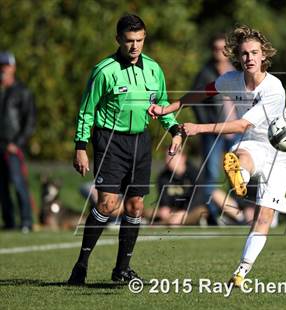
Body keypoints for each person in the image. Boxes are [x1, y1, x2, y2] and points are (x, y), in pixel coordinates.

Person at [149, 25, 286, 287]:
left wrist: (198, 128)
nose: (249, 58)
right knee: (240, 155)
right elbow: (203, 92)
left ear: (264, 56)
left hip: (279, 153)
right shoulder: (231, 79)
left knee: (263, 217)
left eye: (254, 53)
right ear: (238, 57)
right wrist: (168, 107)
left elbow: (241, 125)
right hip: (252, 145)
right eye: (244, 53)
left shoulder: (274, 88)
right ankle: (239, 174)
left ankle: (241, 271)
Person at [68, 14, 182, 285]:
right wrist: (80, 146)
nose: (134, 46)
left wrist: (175, 130)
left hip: (141, 142)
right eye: (129, 40)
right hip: (110, 140)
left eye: (139, 40)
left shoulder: (154, 69)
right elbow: (87, 111)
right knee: (106, 204)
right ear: (118, 39)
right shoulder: (104, 70)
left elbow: (162, 104)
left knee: (135, 205)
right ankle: (81, 265)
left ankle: (122, 269)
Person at [191, 34, 236, 224]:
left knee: (238, 174)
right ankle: (213, 215)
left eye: (223, 48)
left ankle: (238, 213)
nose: (219, 52)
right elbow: (195, 101)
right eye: (216, 48)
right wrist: (206, 126)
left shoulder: (237, 72)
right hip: (214, 132)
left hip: (236, 131)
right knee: (211, 174)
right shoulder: (205, 73)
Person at [0, 51, 36, 233]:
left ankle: (26, 221)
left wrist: (18, 143)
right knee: (2, 187)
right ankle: (9, 221)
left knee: (18, 183)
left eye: (5, 66)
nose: (2, 70)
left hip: (13, 146)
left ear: (13, 68)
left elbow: (30, 122)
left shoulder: (22, 92)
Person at [142, 151, 208, 226]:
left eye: (171, 156)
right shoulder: (162, 177)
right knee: (142, 211)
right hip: (172, 211)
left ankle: (159, 224)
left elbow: (198, 197)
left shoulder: (195, 174)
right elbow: (164, 200)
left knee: (201, 211)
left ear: (183, 157)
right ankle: (170, 222)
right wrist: (164, 208)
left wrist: (185, 211)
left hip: (190, 211)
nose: (168, 160)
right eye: (166, 157)